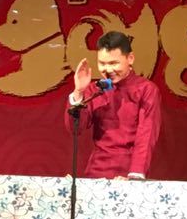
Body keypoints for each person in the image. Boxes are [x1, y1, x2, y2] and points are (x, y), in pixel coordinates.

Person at [66, 30, 161, 179]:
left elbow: (146, 135)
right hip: (96, 171)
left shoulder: (146, 89)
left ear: (130, 58)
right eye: (102, 63)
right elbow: (75, 129)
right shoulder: (95, 89)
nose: (108, 70)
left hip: (128, 172)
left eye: (113, 63)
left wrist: (135, 176)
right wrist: (78, 92)